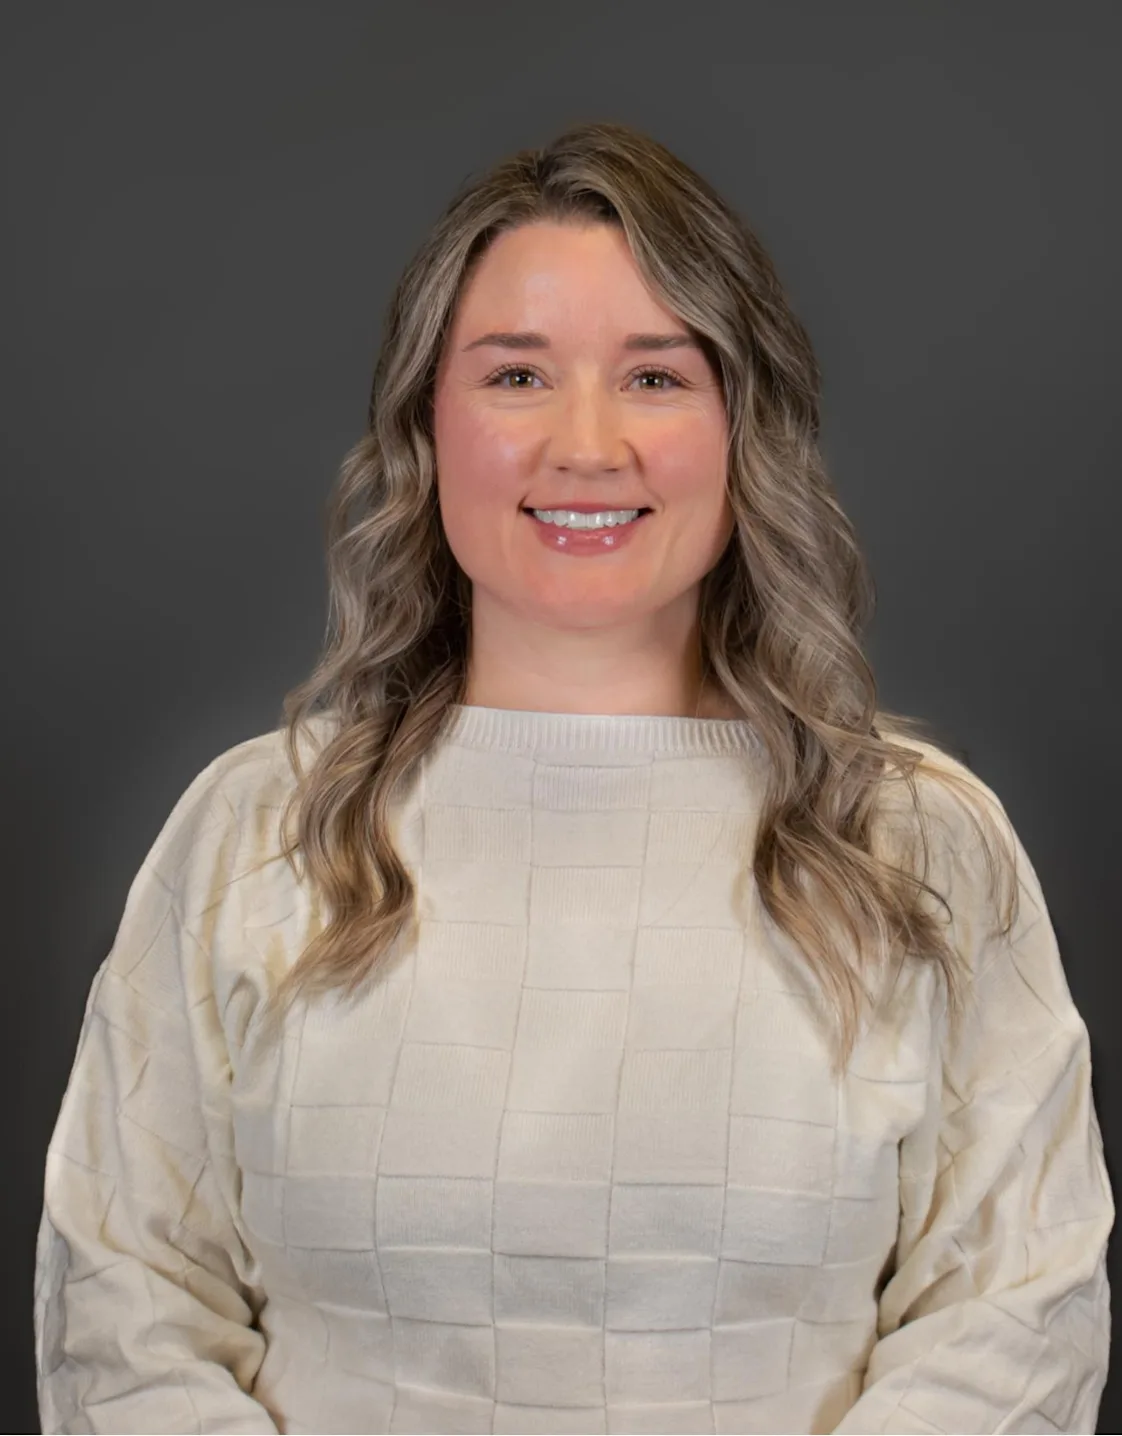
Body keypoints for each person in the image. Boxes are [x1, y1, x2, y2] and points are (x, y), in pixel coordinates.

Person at [34, 119, 1112, 1435]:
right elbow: (125, 1306)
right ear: (426, 421)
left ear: (739, 425)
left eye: (654, 377)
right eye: (516, 376)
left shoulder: (915, 841)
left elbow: (1014, 1311)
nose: (585, 445)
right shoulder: (258, 831)